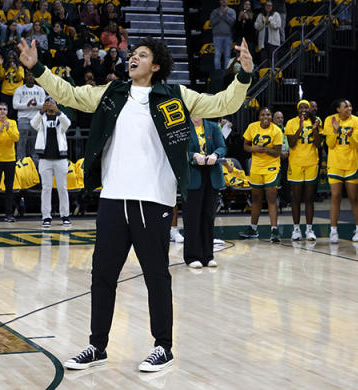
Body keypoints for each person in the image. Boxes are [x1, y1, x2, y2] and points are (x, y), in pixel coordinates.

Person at [17, 35, 254, 373]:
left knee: (156, 276)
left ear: (156, 65)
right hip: (114, 197)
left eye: (141, 55)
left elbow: (221, 104)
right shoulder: (111, 93)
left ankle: (163, 347)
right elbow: (69, 93)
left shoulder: (176, 95)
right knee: (102, 275)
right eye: (132, 54)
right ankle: (97, 346)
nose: (133, 58)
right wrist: (37, 68)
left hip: (153, 199)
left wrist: (243, 75)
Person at [185, 116, 226, 268]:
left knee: (209, 216)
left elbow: (222, 147)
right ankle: (192, 256)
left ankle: (208, 256)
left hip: (211, 175)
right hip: (193, 176)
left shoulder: (213, 127)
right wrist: (194, 155)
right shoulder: (184, 126)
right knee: (192, 217)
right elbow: (180, 150)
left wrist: (215, 155)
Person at [324, 99, 358, 244]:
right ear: (338, 109)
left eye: (349, 105)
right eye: (345, 106)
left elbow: (356, 145)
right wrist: (335, 130)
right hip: (335, 163)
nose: (349, 108)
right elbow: (329, 144)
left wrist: (351, 136)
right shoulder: (330, 120)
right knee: (335, 196)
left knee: (353, 197)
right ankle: (333, 231)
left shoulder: (357, 121)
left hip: (351, 163)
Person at [239, 107, 283, 242]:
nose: (265, 117)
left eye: (268, 115)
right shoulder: (252, 127)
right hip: (256, 168)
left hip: (271, 168)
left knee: (271, 199)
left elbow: (277, 152)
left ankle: (274, 230)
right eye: (263, 114)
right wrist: (254, 149)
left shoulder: (276, 130)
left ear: (271, 117)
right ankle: (253, 229)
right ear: (259, 117)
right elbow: (245, 146)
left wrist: (265, 150)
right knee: (256, 199)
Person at [32, 97, 72, 227]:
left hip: (60, 159)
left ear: (56, 105)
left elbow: (68, 123)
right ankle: (46, 217)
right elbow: (33, 124)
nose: (50, 105)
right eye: (47, 103)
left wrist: (58, 112)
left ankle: (65, 215)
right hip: (44, 159)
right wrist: (40, 111)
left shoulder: (60, 118)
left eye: (52, 103)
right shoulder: (41, 118)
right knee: (46, 189)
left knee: (62, 188)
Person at [285, 100, 321, 241]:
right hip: (295, 164)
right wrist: (300, 127)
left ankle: (310, 230)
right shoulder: (291, 123)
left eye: (306, 107)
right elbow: (292, 143)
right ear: (297, 109)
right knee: (296, 198)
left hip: (312, 163)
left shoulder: (316, 122)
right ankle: (296, 229)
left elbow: (318, 144)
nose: (304, 109)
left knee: (309, 198)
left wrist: (315, 129)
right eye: (301, 107)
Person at [0, 103, 20, 222]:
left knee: (9, 188)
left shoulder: (12, 123)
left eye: (4, 109)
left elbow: (16, 138)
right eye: (0, 109)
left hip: (10, 159)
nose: (2, 111)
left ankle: (9, 214)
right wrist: (0, 130)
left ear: (7, 112)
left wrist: (8, 129)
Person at [13, 74, 45, 161]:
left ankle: (35, 164)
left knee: (35, 142)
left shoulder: (40, 89)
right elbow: (15, 105)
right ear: (25, 77)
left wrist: (36, 104)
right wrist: (27, 104)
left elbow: (44, 105)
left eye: (32, 76)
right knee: (21, 143)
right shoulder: (19, 89)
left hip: (36, 119)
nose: (31, 77)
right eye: (29, 75)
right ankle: (20, 162)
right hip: (23, 119)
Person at [209, 0, 236, 72]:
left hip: (228, 36)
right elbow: (211, 22)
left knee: (227, 55)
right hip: (217, 36)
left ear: (228, 1)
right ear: (220, 1)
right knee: (217, 55)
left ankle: (227, 71)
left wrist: (224, 15)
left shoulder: (231, 11)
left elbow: (233, 22)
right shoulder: (215, 11)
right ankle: (217, 71)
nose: (224, 1)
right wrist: (219, 16)